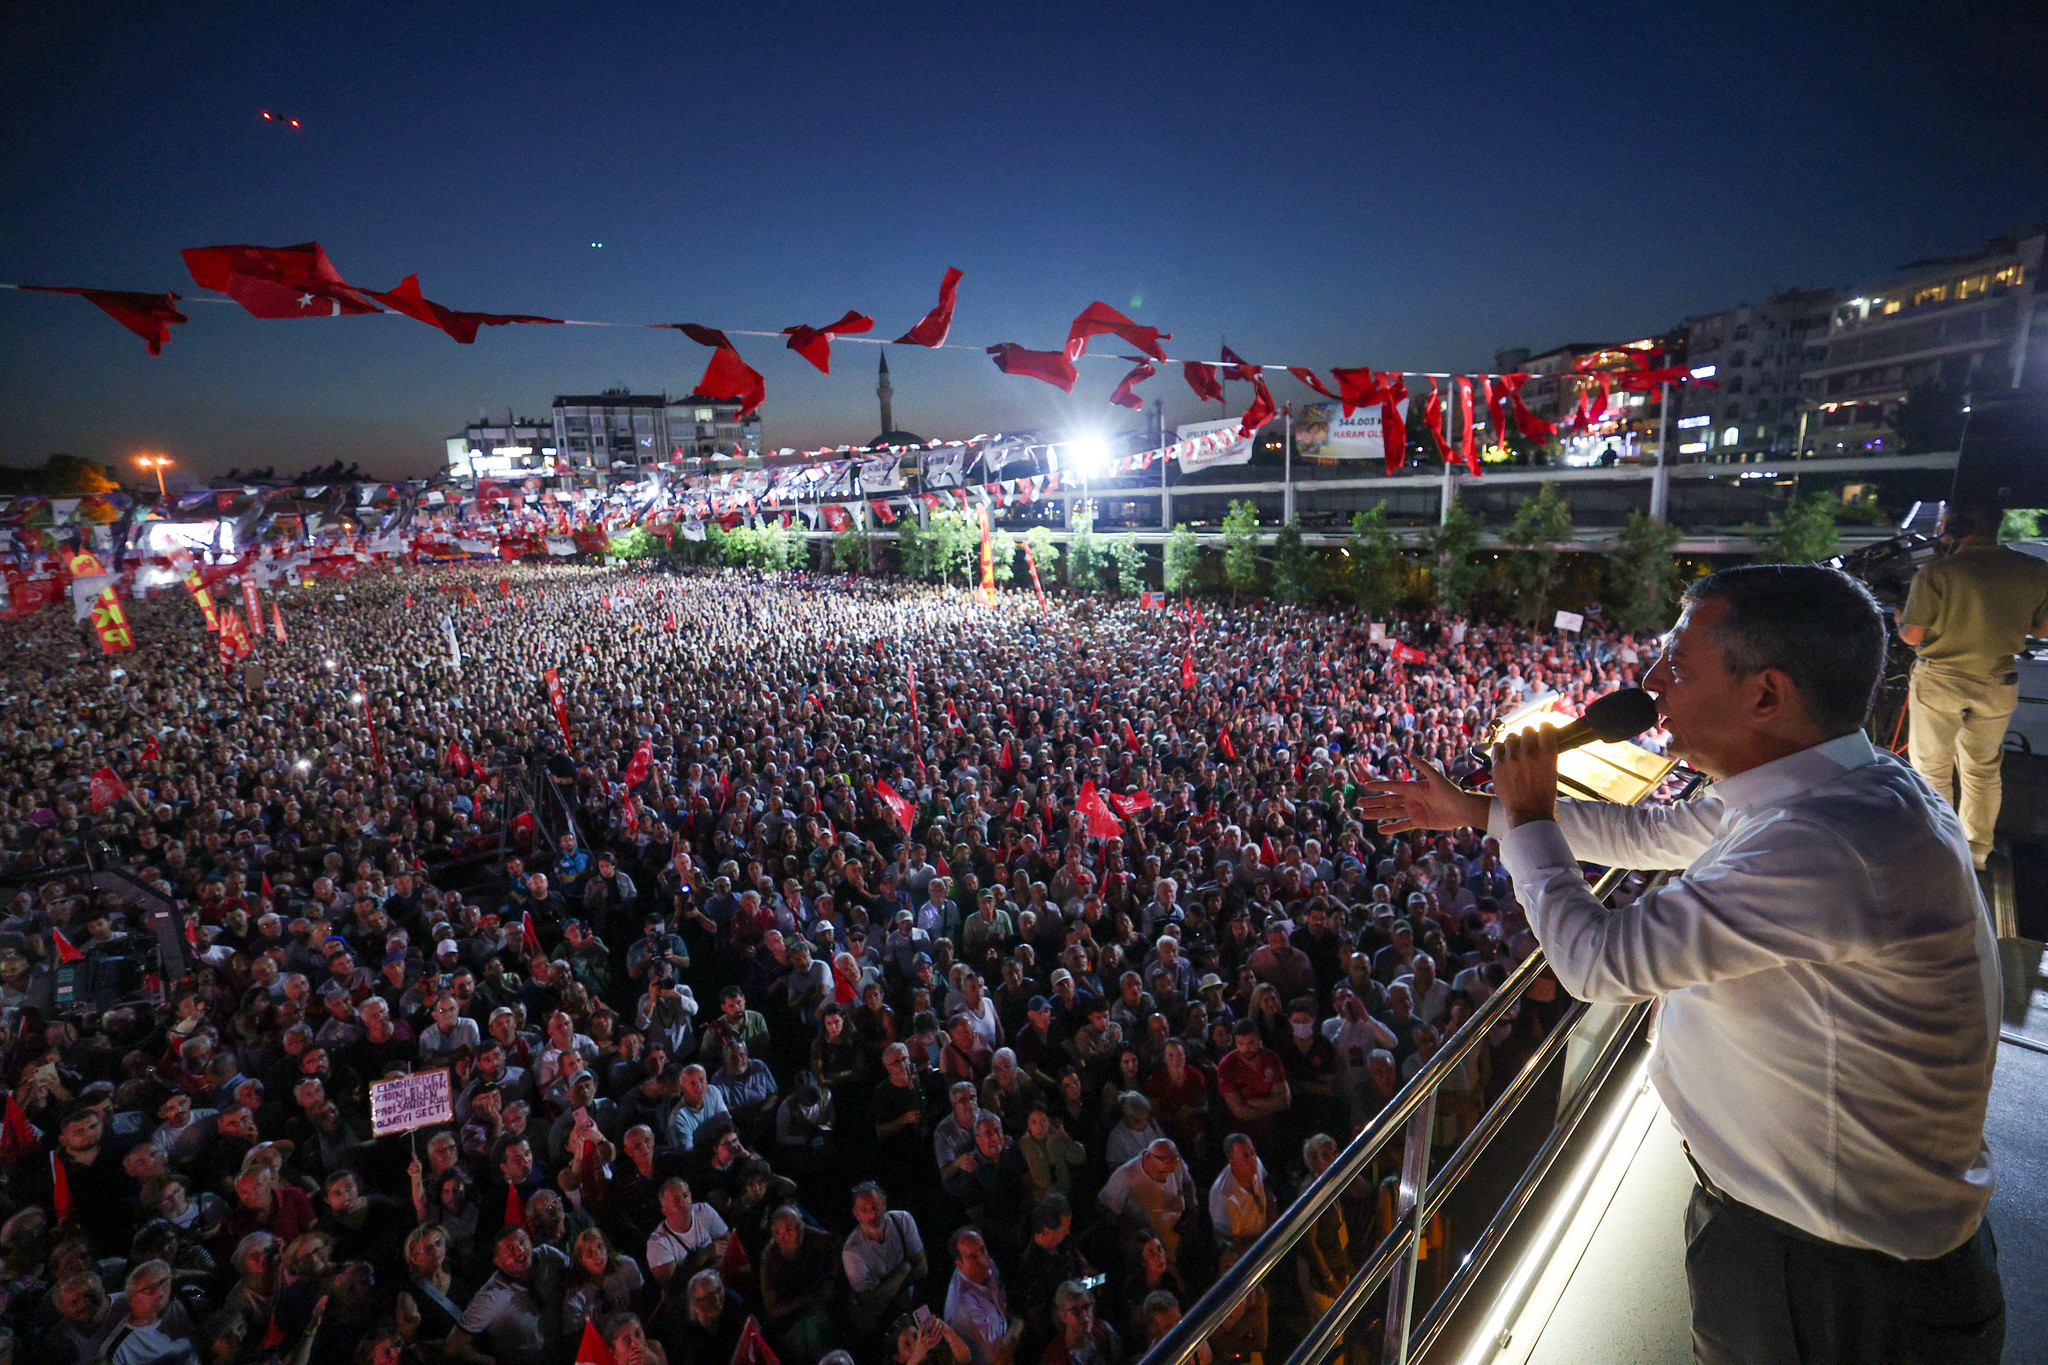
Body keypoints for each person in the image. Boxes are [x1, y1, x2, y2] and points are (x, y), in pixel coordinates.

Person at [1360, 564, 2006, 1364]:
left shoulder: (1828, 843)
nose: (1651, 681)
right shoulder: (1836, 791)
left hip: (1832, 1283)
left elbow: (1597, 961)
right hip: (1814, 1241)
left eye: (1677, 661)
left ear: (1765, 694)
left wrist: (1529, 818)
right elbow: (1647, 837)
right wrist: (1472, 812)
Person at [1899, 497, 2048, 869]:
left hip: (1941, 681)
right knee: (1983, 769)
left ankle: (1937, 850)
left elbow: (1913, 637)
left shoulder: (1938, 573)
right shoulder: (2035, 569)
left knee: (1932, 768)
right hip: (1997, 682)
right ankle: (1977, 851)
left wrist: (1904, 618)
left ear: (1957, 526)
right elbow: (2043, 628)